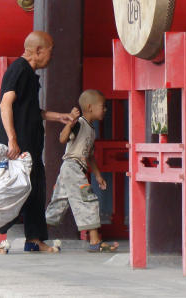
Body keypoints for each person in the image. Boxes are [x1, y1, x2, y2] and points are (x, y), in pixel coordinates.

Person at [0, 31, 75, 254]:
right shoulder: (18, 69)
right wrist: (12, 139)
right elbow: (5, 104)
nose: (52, 56)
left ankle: (34, 239)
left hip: (29, 145)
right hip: (17, 145)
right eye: (50, 51)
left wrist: (58, 116)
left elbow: (29, 111)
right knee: (18, 190)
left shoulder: (29, 73)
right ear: (38, 50)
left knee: (36, 189)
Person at [45, 90, 119, 252]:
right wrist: (70, 123)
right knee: (88, 199)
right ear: (90, 107)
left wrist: (98, 175)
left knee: (58, 204)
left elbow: (90, 156)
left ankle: (36, 234)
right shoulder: (79, 123)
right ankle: (94, 241)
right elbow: (62, 138)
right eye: (103, 106)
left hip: (71, 169)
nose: (105, 109)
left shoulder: (92, 130)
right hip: (72, 166)